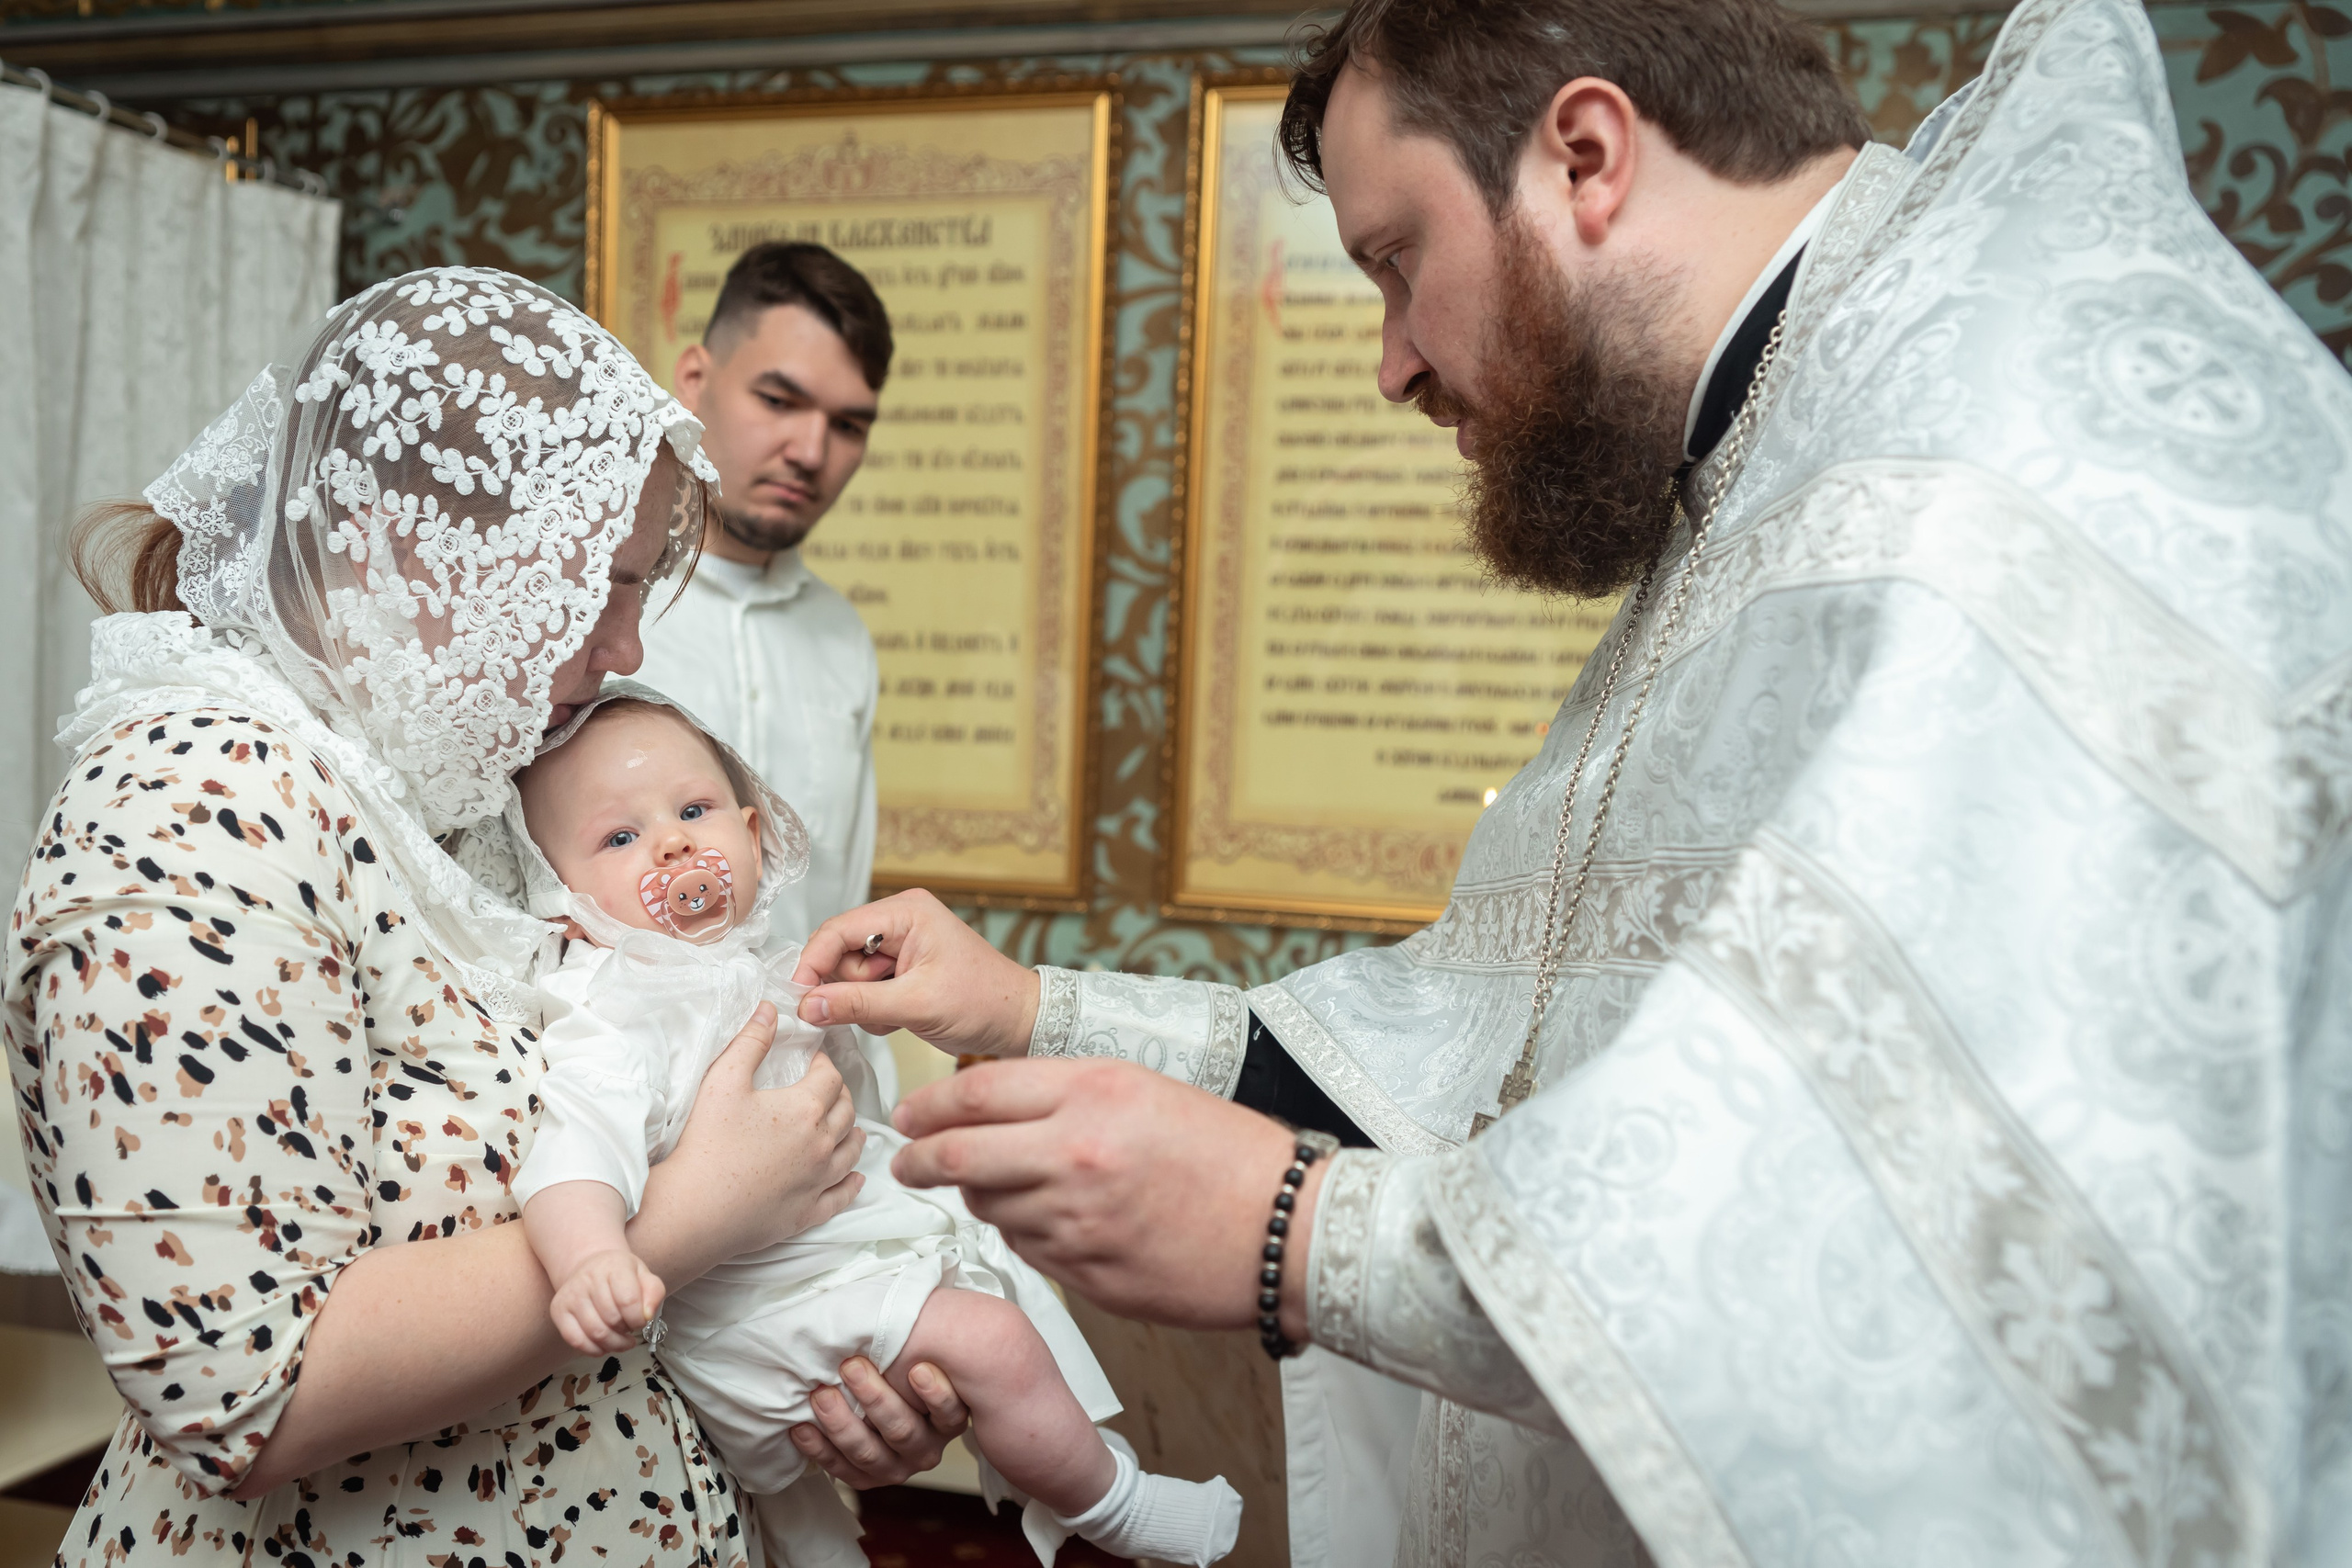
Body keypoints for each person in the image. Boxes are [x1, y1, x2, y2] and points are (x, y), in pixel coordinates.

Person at [786, 1, 2352, 1563]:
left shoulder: (1997, 462)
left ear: (1586, 157)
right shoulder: (1783, 446)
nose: (1394, 363)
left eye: (1397, 259)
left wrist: (1294, 1231)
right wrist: (1033, 1014)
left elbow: (1916, 1269)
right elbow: (1502, 1039)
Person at [6, 266, 966, 1567]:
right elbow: (238, 1387)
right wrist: (697, 1216)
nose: (628, 648)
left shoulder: (445, 782)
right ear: (424, 551)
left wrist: (828, 1339)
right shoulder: (189, 806)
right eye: (608, 584)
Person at [506, 688, 1241, 1568]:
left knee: (1005, 1279)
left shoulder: (754, 971)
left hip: (823, 1258)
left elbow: (833, 1092)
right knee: (991, 1337)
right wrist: (591, 1257)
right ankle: (1114, 1507)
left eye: (695, 810)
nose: (672, 842)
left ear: (750, 832)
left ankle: (1070, 1465)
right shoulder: (616, 1012)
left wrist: (849, 1005)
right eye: (619, 838)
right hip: (751, 1307)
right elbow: (571, 1147)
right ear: (561, 902)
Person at [637, 242, 898, 1102]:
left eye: (849, 423)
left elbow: (841, 909)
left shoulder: (842, 636)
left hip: (823, 1108)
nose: (811, 449)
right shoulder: (602, 618)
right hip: (623, 1117)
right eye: (779, 399)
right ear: (694, 377)